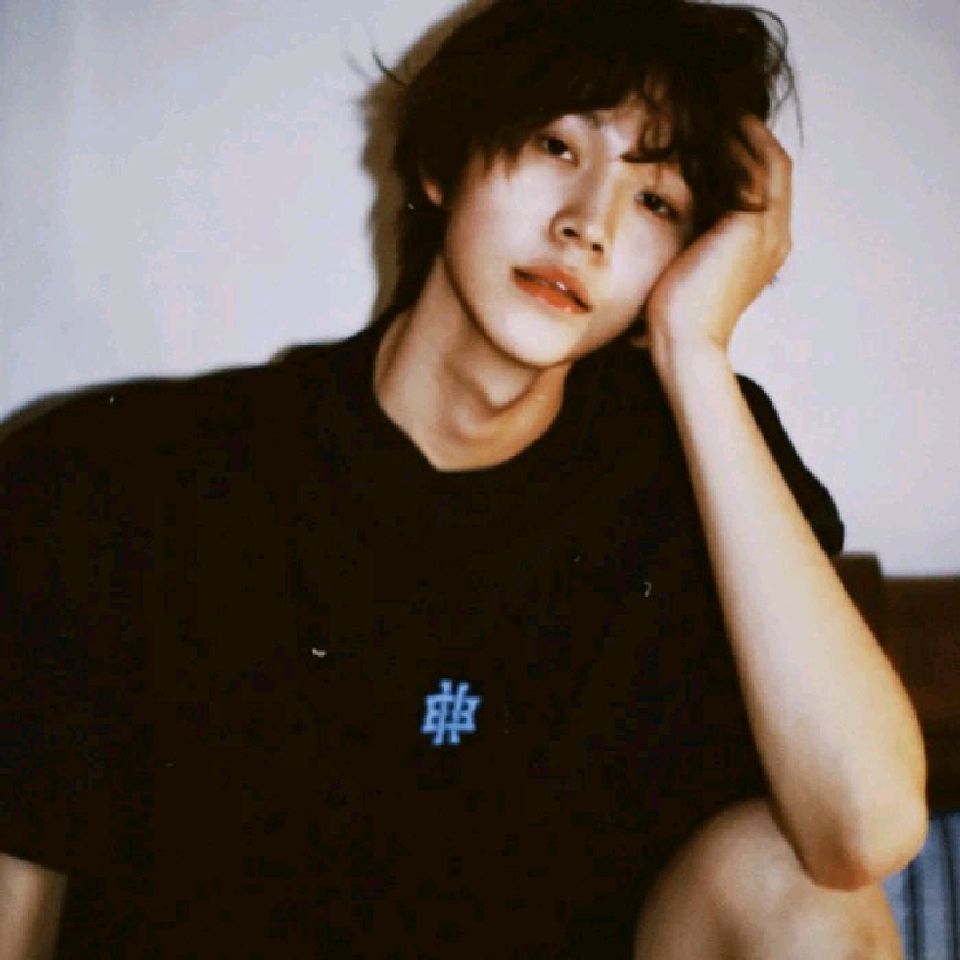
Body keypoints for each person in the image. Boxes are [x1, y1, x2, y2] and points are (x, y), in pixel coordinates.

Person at [0, 0, 928, 956]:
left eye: (657, 202)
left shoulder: (699, 467)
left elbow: (864, 833)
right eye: (556, 147)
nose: (588, 225)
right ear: (443, 163)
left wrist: (693, 351)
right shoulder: (120, 476)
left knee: (798, 888)